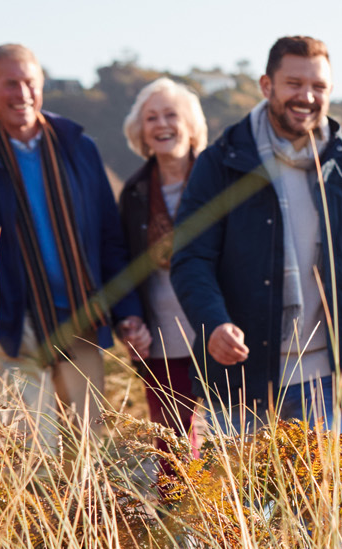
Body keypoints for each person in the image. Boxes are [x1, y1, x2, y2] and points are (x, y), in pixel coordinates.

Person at [171, 36, 342, 432]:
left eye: (319, 87)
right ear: (266, 85)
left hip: (328, 382)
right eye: (294, 83)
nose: (306, 96)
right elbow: (191, 258)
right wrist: (212, 322)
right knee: (245, 497)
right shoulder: (221, 163)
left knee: (324, 496)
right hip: (242, 382)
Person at [0, 43, 146, 459]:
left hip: (82, 320)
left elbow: (109, 239)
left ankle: (91, 525)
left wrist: (127, 310)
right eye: (10, 84)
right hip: (16, 330)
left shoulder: (80, 148)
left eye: (30, 82)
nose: (22, 93)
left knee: (89, 454)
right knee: (31, 458)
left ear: (42, 85)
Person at [117, 77, 209, 477]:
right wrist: (130, 320)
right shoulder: (134, 191)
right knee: (172, 448)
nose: (161, 124)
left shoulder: (218, 179)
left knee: (236, 441)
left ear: (190, 124)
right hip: (162, 340)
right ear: (141, 132)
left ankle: (238, 532)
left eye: (171, 114)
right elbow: (124, 266)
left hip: (220, 332)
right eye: (151, 117)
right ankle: (181, 533)